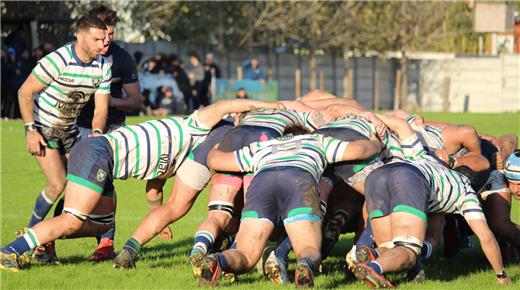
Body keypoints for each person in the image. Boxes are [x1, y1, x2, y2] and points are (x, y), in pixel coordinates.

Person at [0, 99, 284, 272]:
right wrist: (270, 106)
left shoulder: (182, 156)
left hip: (102, 160)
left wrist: (160, 218)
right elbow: (223, 105)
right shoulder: (195, 126)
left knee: (99, 226)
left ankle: (41, 237)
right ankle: (11, 251)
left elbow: (153, 189)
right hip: (100, 153)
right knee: (72, 221)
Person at [199, 124, 381, 287]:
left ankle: (218, 259)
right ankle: (305, 264)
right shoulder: (317, 140)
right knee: (308, 249)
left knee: (245, 255)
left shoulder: (263, 146)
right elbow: (359, 150)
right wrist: (375, 143)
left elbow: (215, 161)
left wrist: (214, 150)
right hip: (298, 180)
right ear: (304, 133)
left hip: (262, 184)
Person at [350, 114, 511, 287]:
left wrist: (364, 115)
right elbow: (486, 237)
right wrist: (501, 274)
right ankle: (374, 267)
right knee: (408, 251)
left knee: (391, 245)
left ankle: (370, 253)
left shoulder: (425, 155)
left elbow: (401, 125)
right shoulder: (465, 191)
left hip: (377, 176)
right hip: (409, 180)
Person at [15, 14, 111, 265]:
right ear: (79, 37)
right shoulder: (58, 60)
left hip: (70, 131)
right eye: (98, 39)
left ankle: (43, 243)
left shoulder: (103, 65)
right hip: (44, 127)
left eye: (106, 38)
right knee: (58, 184)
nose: (104, 44)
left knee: (78, 187)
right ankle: (30, 239)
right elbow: (24, 91)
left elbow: (101, 109)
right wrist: (30, 129)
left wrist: (97, 134)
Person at [73, 4, 142, 262]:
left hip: (111, 129)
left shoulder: (121, 58)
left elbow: (135, 102)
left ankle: (106, 241)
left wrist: (108, 101)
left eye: (111, 35)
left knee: (105, 183)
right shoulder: (71, 56)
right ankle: (47, 240)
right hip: (76, 125)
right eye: (101, 35)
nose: (106, 41)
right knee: (73, 183)